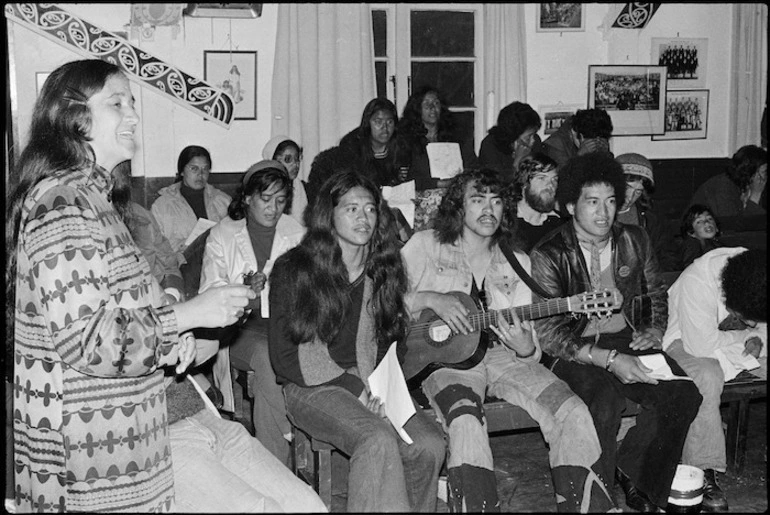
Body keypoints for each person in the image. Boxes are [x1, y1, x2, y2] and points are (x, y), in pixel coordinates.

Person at [6, 58, 255, 512]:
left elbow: (125, 308)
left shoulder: (95, 198)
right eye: (117, 103)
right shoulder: (62, 203)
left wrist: (172, 339)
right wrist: (191, 314)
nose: (134, 116)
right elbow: (87, 339)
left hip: (124, 438)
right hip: (90, 454)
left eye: (133, 103)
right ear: (73, 118)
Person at [401, 168, 616, 512]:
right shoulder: (425, 246)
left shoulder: (517, 262)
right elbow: (381, 302)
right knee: (466, 420)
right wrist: (429, 298)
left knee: (572, 411)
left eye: (496, 201)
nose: (489, 209)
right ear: (459, 206)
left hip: (504, 357)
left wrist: (526, 347)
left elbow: (531, 349)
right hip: (447, 363)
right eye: (477, 200)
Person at [529, 152, 703, 512]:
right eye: (592, 202)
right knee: (605, 401)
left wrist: (653, 331)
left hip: (626, 337)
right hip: (571, 349)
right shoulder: (548, 253)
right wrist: (608, 360)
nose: (603, 212)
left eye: (610, 201)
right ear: (570, 205)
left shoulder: (633, 239)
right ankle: (600, 498)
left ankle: (638, 474)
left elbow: (655, 292)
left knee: (683, 394)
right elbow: (549, 334)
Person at [269, 170, 446, 512]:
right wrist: (356, 388)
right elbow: (285, 358)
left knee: (429, 443)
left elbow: (393, 343)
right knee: (376, 438)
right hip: (309, 388)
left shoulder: (383, 268)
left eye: (369, 209)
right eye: (351, 209)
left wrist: (383, 388)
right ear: (329, 216)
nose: (363, 217)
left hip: (368, 382)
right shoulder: (295, 269)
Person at [198, 160, 304, 467]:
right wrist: (243, 289)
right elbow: (210, 291)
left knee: (282, 366)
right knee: (266, 356)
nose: (273, 209)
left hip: (285, 325)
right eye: (265, 199)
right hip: (239, 328)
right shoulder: (223, 234)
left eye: (281, 201)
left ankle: (273, 458)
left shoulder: (296, 232)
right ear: (247, 198)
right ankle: (283, 440)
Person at [663, 247, 767, 513]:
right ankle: (702, 470)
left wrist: (756, 336)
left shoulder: (754, 273)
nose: (753, 322)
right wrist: (745, 336)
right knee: (707, 377)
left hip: (733, 340)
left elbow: (761, 328)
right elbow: (701, 345)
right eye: (749, 318)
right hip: (685, 341)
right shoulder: (697, 282)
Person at [398, 86, 478, 231]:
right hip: (425, 195)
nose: (432, 107)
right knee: (438, 201)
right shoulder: (407, 140)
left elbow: (473, 165)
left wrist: (459, 181)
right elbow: (406, 178)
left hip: (457, 190)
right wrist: (440, 183)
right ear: (417, 109)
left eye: (436, 103)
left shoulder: (456, 136)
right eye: (426, 104)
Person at [306, 98, 407, 207]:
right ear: (368, 123)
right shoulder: (351, 151)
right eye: (378, 122)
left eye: (390, 122)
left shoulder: (402, 148)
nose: (385, 128)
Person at [151, 144, 232, 254]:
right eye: (194, 169)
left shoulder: (223, 201)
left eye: (205, 169)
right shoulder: (162, 205)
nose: (200, 174)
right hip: (180, 264)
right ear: (182, 171)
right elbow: (156, 245)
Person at [614, 153, 679, 272]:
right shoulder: (598, 214)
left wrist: (653, 279)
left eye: (638, 191)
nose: (630, 198)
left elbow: (667, 255)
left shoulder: (651, 218)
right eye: (627, 187)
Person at [505, 153, 566, 254]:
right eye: (541, 178)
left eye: (554, 179)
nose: (550, 185)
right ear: (523, 184)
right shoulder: (506, 223)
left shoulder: (560, 225)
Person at [689, 144, 767, 220]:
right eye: (764, 172)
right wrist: (756, 195)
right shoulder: (723, 187)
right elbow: (732, 225)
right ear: (752, 173)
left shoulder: (742, 185)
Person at [478, 101, 543, 180]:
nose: (533, 140)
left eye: (534, 134)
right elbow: (496, 184)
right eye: (528, 137)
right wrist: (517, 162)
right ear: (513, 135)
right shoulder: (490, 145)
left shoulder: (536, 142)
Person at [542, 108, 614, 168]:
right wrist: (580, 156)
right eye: (590, 143)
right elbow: (561, 179)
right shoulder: (555, 145)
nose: (595, 145)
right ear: (574, 132)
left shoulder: (600, 135)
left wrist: (606, 155)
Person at [262, 135, 308, 225]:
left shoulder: (302, 187)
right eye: (288, 159)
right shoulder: (263, 187)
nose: (295, 165)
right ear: (273, 161)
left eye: (297, 159)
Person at [679, 204, 722, 269]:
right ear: (691, 231)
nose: (707, 223)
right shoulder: (691, 247)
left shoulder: (716, 245)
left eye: (710, 219)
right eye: (699, 222)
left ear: (717, 228)